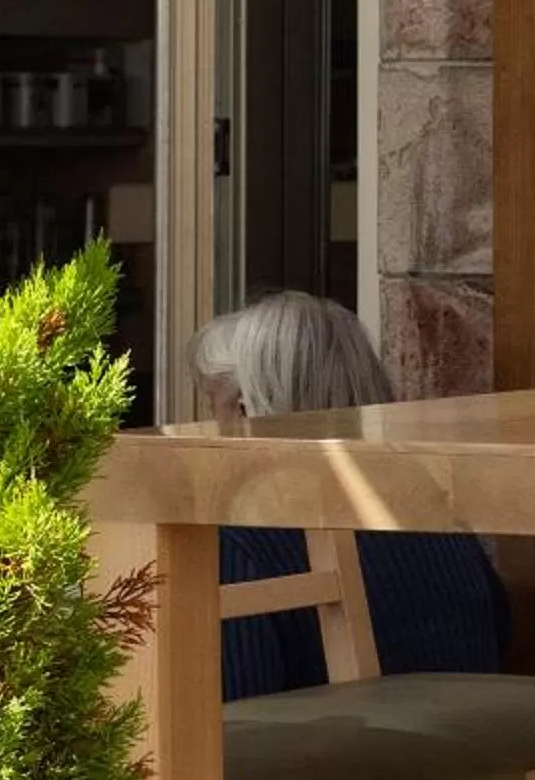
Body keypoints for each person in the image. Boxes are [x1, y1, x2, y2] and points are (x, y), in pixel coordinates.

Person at [195, 291, 509, 698]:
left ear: (244, 410)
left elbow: (232, 720)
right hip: (476, 746)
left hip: (343, 754)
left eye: (210, 405)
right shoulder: (420, 496)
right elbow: (498, 632)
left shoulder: (245, 530)